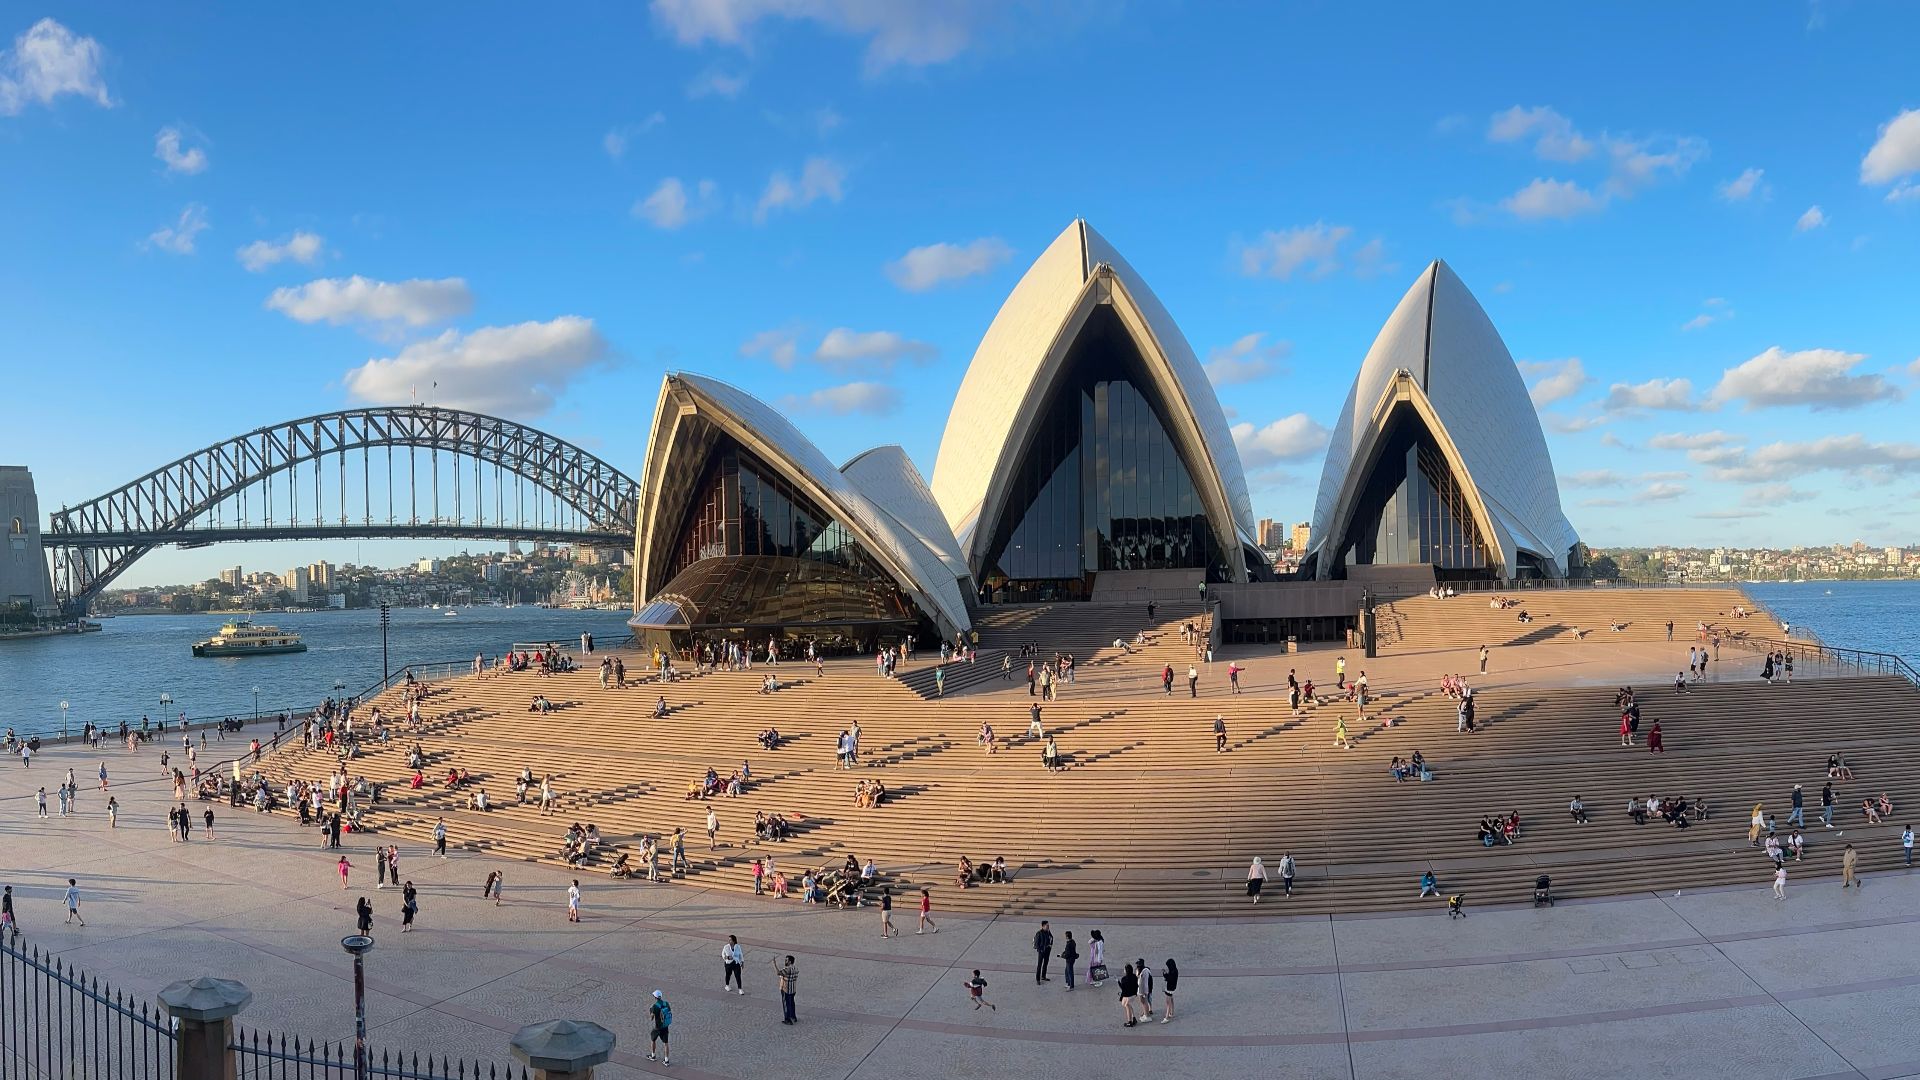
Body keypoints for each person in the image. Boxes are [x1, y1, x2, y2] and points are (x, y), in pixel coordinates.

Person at [647, 990, 671, 1064]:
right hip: (665, 1026)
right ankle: (666, 1060)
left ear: (655, 997)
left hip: (658, 1027)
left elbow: (651, 1018)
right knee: (666, 1043)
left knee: (653, 1040)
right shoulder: (666, 1003)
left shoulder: (654, 1006)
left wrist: (650, 1011)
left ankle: (653, 1056)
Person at [774, 954, 799, 1024]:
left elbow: (778, 973)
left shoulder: (787, 969)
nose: (785, 961)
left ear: (790, 961)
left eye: (786, 960)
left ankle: (787, 1019)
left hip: (786, 989)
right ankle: (793, 1017)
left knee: (786, 1004)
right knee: (792, 1003)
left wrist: (774, 964)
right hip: (793, 989)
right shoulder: (795, 968)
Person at [1159, 959, 1179, 1023]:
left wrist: (1165, 974)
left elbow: (1169, 979)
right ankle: (1172, 1013)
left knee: (1168, 1002)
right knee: (1171, 1000)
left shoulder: (1173, 971)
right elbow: (1170, 978)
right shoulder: (1175, 970)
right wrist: (1166, 974)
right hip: (1173, 988)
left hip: (1169, 988)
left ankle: (1166, 1017)